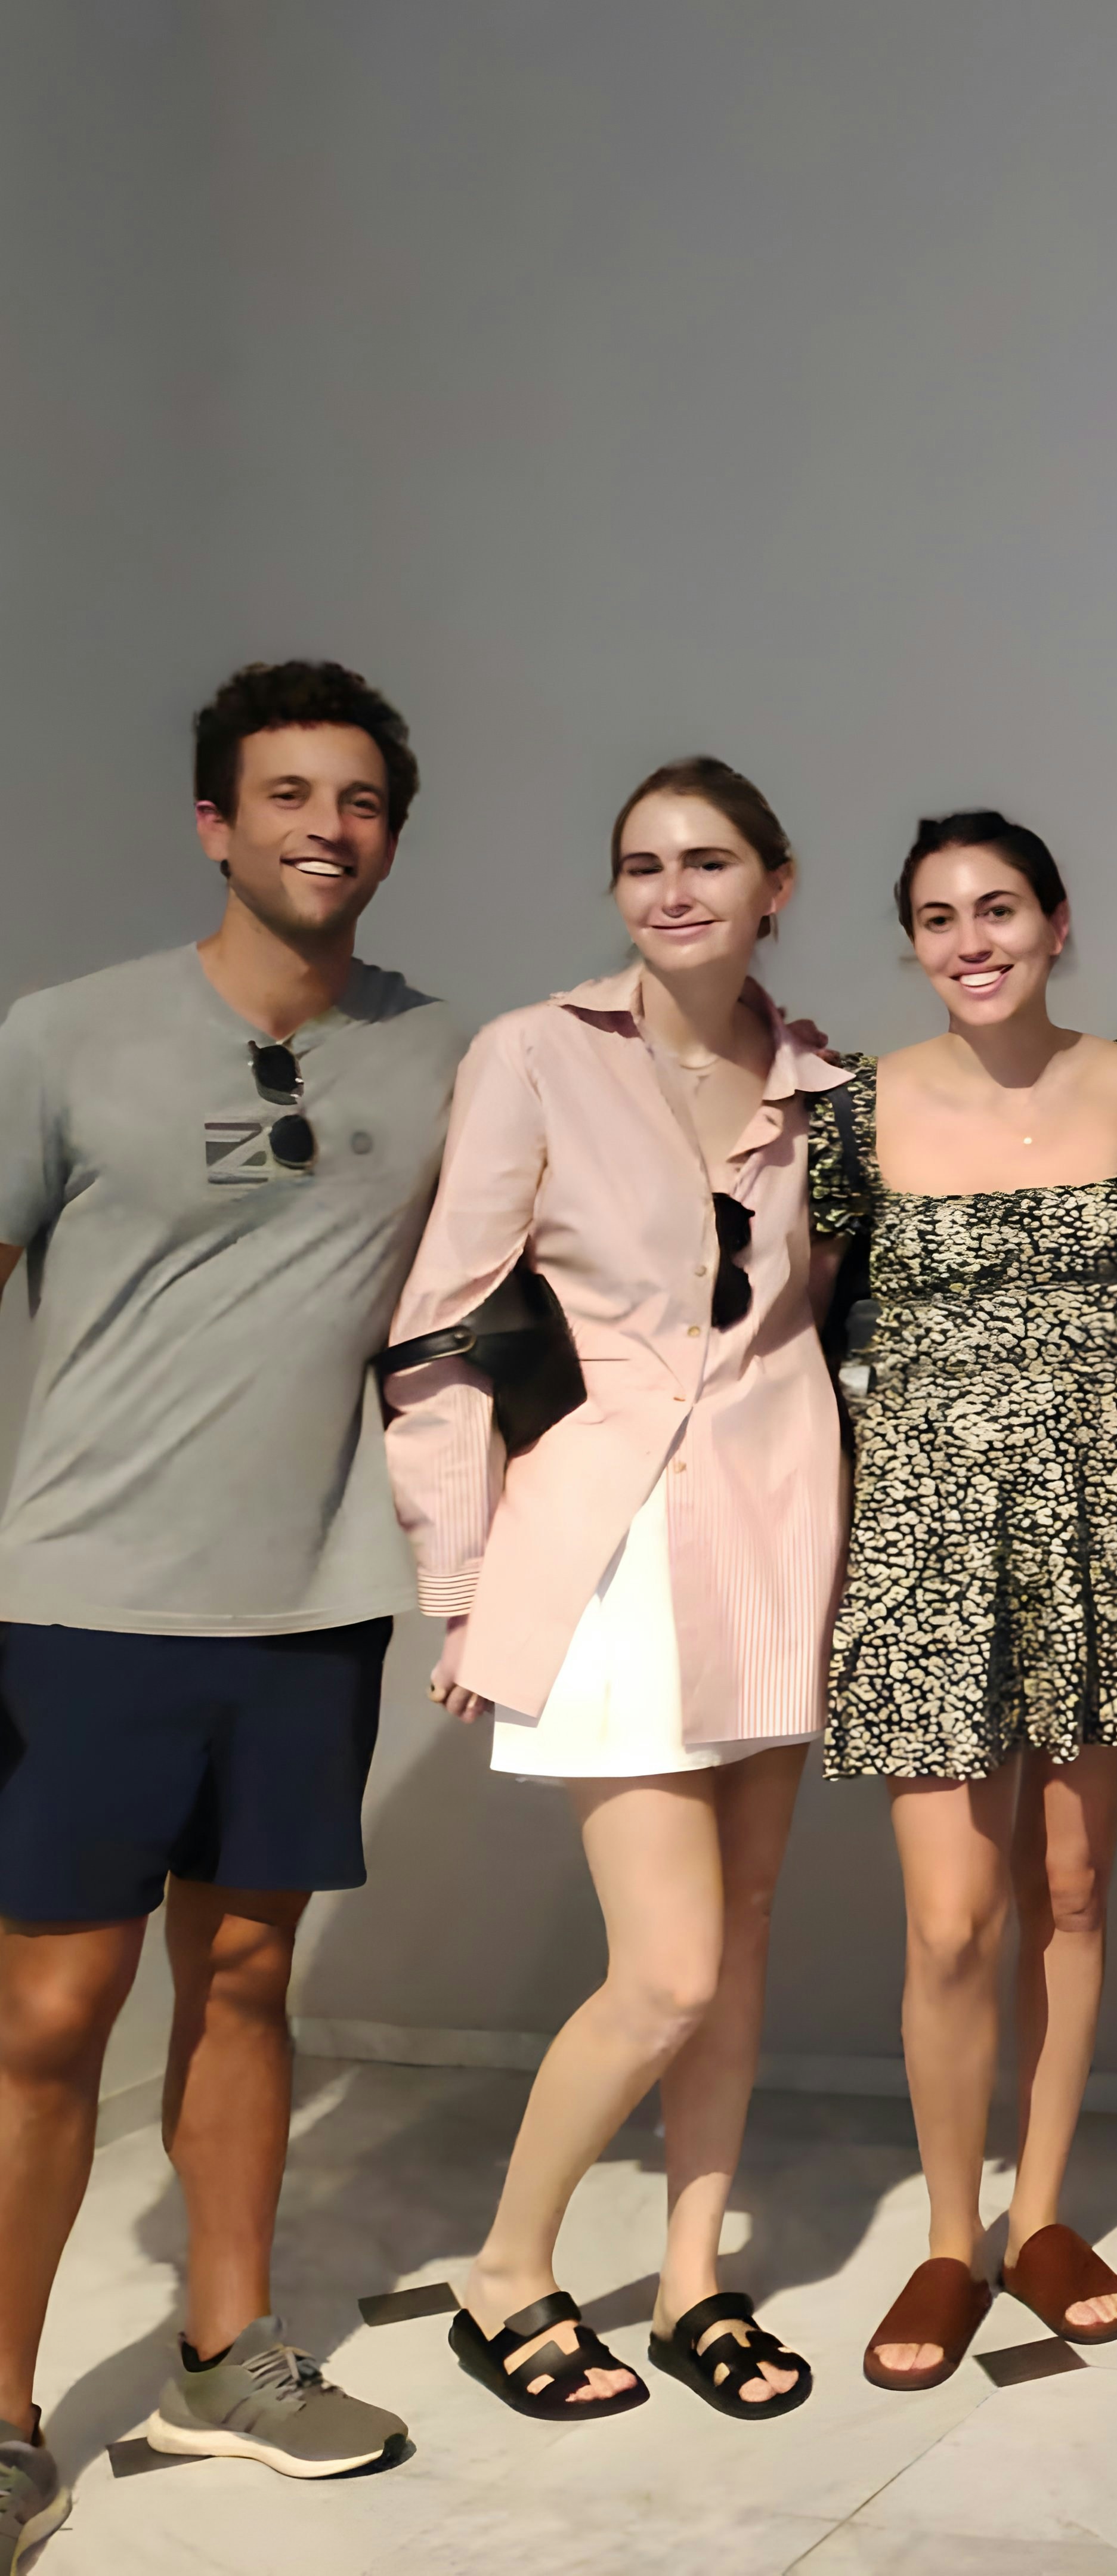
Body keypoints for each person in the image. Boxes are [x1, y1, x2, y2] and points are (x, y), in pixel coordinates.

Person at [0, 663, 448, 2548]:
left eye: (355, 800)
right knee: (46, 2016)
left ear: (389, 835)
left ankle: (224, 2358)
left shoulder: (446, 1054)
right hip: (85, 1601)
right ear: (215, 822)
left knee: (248, 1978)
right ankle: (4, 2415)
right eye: (284, 796)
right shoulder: (66, 1037)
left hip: (309, 1610)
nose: (322, 828)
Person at [382, 757, 846, 2425]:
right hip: (607, 1545)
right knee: (668, 1971)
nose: (672, 889)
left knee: (742, 1939)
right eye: (642, 864)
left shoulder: (827, 1084)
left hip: (785, 1537)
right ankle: (507, 2270)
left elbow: (817, 1325)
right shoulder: (531, 1056)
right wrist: (459, 1576)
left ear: (773, 883)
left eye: (709, 860)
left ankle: (695, 2274)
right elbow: (442, 1332)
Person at [813, 813, 1117, 2389]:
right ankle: (944, 2237)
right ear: (913, 942)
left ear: (1056, 921)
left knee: (1074, 1891)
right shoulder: (855, 1106)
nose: (971, 940)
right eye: (937, 917)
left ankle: (1043, 2217)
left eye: (998, 909)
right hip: (922, 1525)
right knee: (947, 1916)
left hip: (1110, 1513)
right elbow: (785, 1327)